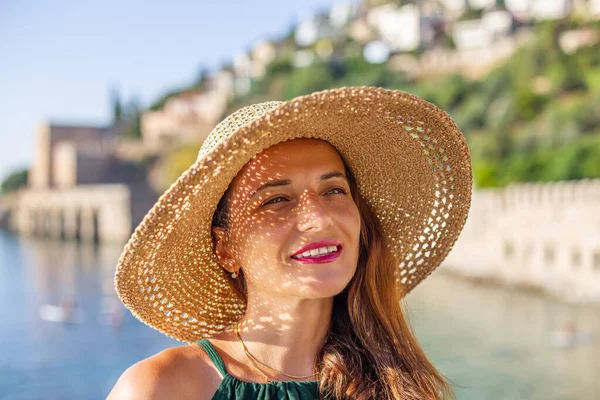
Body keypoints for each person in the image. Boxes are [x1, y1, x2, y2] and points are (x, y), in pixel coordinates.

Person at [107, 87, 472, 399]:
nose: (320, 218)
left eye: (334, 190)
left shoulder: (400, 387)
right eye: (276, 200)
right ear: (225, 248)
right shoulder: (161, 389)